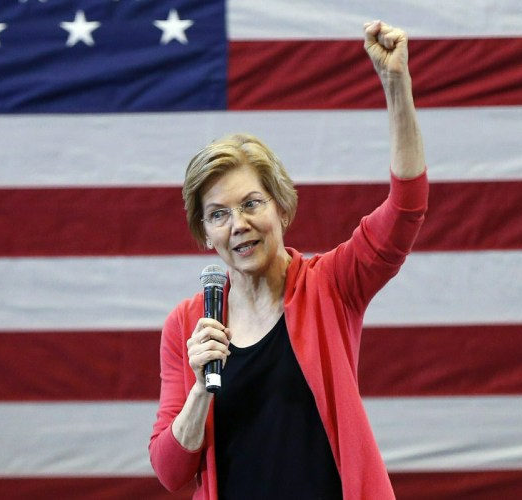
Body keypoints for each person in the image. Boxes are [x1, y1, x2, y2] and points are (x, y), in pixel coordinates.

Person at [149, 20, 428, 499]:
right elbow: (171, 473)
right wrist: (199, 390)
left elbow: (405, 210)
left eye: (251, 204)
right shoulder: (188, 324)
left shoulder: (332, 285)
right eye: (218, 214)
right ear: (206, 234)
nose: (238, 224)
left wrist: (396, 87)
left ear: (280, 207)